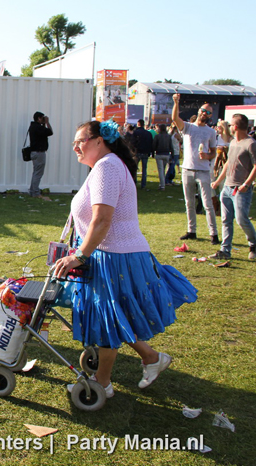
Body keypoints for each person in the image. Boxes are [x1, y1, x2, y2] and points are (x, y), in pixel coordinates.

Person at [54, 120, 197, 399]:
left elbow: (103, 219)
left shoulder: (107, 167)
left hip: (114, 256)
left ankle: (101, 384)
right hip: (114, 254)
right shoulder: (105, 166)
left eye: (80, 141)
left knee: (107, 320)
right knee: (118, 315)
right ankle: (151, 358)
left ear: (99, 141)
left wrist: (80, 256)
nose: (75, 147)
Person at [210, 114, 256, 260]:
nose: (230, 127)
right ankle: (225, 250)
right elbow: (228, 163)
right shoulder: (233, 143)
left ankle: (254, 243)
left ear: (236, 126)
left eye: (231, 125)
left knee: (241, 219)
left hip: (241, 189)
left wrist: (246, 184)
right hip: (227, 187)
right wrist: (218, 181)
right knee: (226, 220)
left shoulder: (250, 144)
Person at [172, 94, 219, 244]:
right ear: (198, 111)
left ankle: (214, 234)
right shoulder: (188, 127)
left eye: (209, 112)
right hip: (187, 169)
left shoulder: (211, 132)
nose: (205, 113)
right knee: (189, 202)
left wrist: (207, 156)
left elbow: (213, 152)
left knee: (207, 203)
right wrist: (176, 102)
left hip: (203, 171)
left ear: (211, 116)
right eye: (203, 110)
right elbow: (175, 118)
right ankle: (191, 231)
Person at [28, 111, 53, 199]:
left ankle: (32, 191)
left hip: (35, 152)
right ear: (39, 118)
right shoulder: (37, 127)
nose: (44, 120)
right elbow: (50, 132)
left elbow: (44, 133)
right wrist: (47, 123)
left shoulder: (33, 126)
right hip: (39, 153)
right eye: (42, 118)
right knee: (38, 173)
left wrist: (43, 124)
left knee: (36, 172)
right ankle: (35, 192)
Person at [132, 119, 153, 188]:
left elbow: (133, 143)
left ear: (138, 124)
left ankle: (134, 182)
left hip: (137, 152)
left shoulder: (136, 133)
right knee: (144, 169)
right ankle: (143, 184)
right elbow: (151, 143)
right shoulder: (148, 133)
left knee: (135, 168)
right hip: (145, 152)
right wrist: (151, 152)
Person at [152, 124, 172, 190]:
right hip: (166, 154)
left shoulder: (157, 136)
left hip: (159, 154)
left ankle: (162, 185)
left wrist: (152, 153)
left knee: (161, 170)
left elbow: (154, 145)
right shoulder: (168, 136)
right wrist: (172, 155)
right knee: (163, 169)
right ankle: (162, 184)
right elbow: (171, 146)